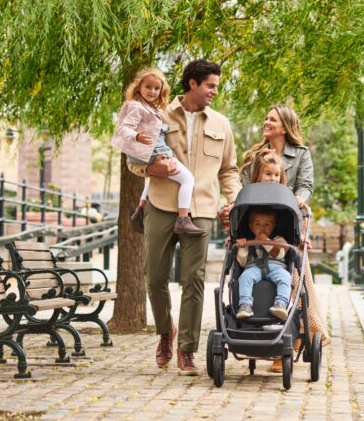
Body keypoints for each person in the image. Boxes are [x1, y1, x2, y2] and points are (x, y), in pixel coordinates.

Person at [127, 59, 242, 375]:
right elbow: (133, 160)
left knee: (194, 280)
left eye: (216, 86)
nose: (214, 92)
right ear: (192, 83)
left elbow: (229, 169)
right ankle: (166, 332)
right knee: (154, 278)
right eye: (210, 86)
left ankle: (187, 349)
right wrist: (151, 169)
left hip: (202, 210)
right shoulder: (156, 114)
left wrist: (235, 200)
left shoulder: (222, 124)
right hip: (161, 206)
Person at [239, 106, 329, 349]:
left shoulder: (300, 154)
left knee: (298, 274)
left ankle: (301, 332)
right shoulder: (253, 156)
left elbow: (306, 185)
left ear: (285, 126)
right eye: (266, 117)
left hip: (290, 218)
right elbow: (244, 189)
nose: (266, 122)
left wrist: (298, 200)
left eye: (272, 119)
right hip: (256, 220)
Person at [112, 67, 204, 235]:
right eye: (148, 87)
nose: (152, 91)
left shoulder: (151, 108)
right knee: (188, 179)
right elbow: (124, 128)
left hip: (152, 152)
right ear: (139, 86)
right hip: (152, 151)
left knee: (155, 177)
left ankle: (140, 209)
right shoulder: (136, 106)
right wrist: (136, 136)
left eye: (156, 88)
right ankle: (183, 219)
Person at [235, 207, 291, 320]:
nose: (262, 228)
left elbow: (279, 254)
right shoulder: (249, 241)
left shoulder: (279, 239)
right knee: (245, 277)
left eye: (267, 224)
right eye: (257, 224)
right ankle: (245, 305)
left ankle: (281, 303)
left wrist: (265, 240)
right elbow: (242, 262)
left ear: (273, 226)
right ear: (251, 227)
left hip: (276, 267)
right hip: (254, 267)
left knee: (286, 277)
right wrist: (242, 248)